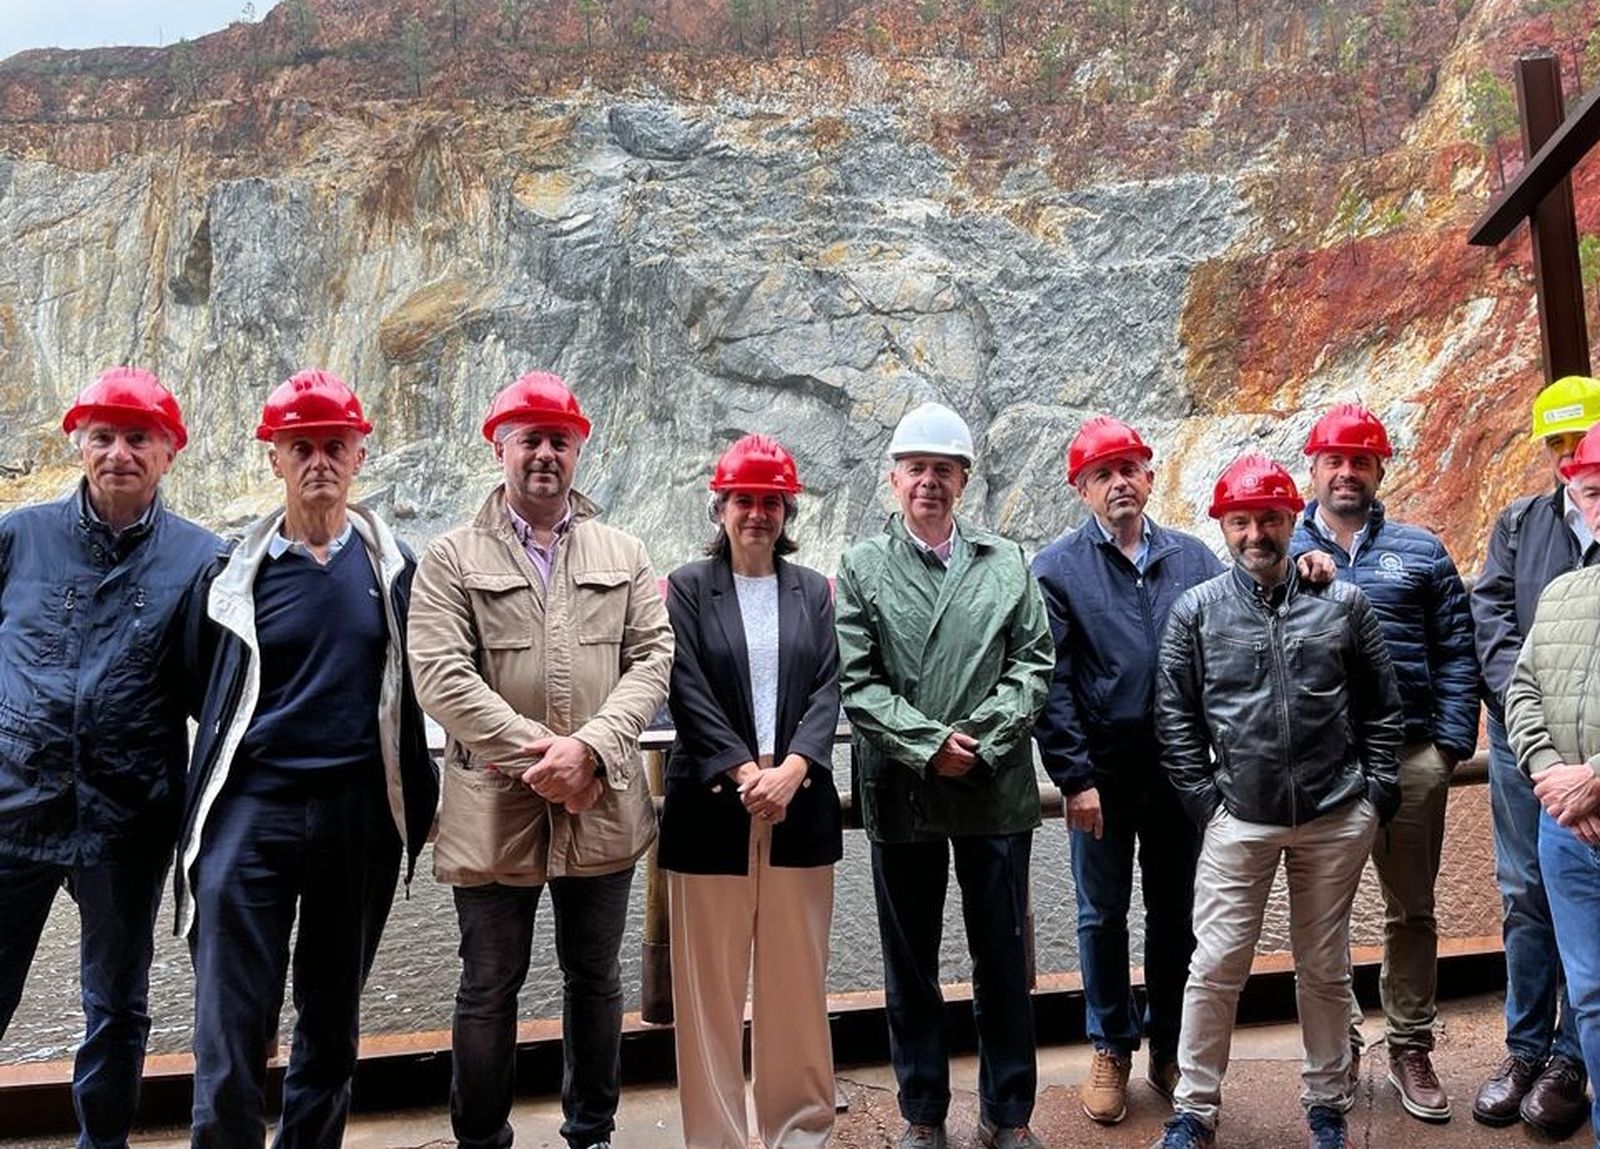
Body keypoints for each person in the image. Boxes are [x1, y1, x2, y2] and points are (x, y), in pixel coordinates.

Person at [408, 371, 673, 1149]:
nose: (546, 454)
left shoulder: (623, 552)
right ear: (501, 447)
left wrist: (589, 747)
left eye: (560, 439)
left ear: (579, 448)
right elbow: (440, 675)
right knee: (489, 987)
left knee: (596, 982)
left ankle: (590, 1130)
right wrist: (544, 755)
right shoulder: (451, 558)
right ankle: (482, 1140)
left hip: (601, 805)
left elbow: (654, 658)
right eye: (530, 438)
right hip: (496, 809)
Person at [176, 369, 438, 1148]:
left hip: (358, 814)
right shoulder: (231, 575)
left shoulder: (394, 569)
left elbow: (426, 681)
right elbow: (202, 682)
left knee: (331, 1016)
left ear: (359, 456)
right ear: (275, 460)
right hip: (253, 808)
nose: (319, 461)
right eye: (302, 447)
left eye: (334, 446)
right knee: (229, 1014)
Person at [1153, 454, 1402, 1149]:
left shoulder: (1343, 601)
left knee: (1324, 964)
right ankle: (1194, 1109)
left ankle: (1327, 1102)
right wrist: (1210, 805)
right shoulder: (1196, 612)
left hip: (1334, 813)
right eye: (1240, 520)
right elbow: (1175, 720)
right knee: (1215, 963)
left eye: (1268, 517)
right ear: (1223, 528)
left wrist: (1376, 794)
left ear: (1293, 519)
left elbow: (1383, 705)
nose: (1255, 532)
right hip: (1241, 817)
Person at [0, 368, 217, 1149]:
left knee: (116, 1005)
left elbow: (219, 698)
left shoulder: (202, 559)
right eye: (104, 436)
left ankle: (103, 1144)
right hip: (13, 806)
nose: (119, 452)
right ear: (79, 445)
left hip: (129, 816)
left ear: (169, 454)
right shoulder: (19, 537)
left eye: (139, 438)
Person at [835, 400, 1054, 1149]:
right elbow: (857, 683)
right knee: (911, 965)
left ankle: (1008, 1113)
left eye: (943, 469)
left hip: (993, 787)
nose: (929, 481)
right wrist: (927, 744)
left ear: (963, 479)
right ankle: (923, 1113)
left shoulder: (1006, 561)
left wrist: (981, 739)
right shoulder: (862, 566)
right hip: (906, 792)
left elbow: (1034, 663)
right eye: (916, 468)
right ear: (893, 479)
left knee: (1002, 960)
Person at [1031, 416, 1223, 1123]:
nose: (1119, 484)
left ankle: (1170, 1046)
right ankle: (1112, 1043)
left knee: (1176, 914)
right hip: (1102, 777)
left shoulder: (1195, 559)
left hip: (1180, 773)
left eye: (1129, 470)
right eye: (1102, 475)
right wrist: (1074, 777)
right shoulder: (1055, 569)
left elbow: (1225, 659)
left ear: (1149, 475)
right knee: (1100, 914)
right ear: (1081, 489)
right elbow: (1050, 682)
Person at [1291, 403, 1478, 1122]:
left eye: (1360, 459)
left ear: (1379, 469)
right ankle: (1336, 1050)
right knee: (1323, 916)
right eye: (1333, 459)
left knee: (1412, 909)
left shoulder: (1421, 550)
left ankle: (1409, 1041)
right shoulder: (1277, 543)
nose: (1346, 471)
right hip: (1323, 767)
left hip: (1411, 761)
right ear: (1313, 468)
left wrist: (1450, 745)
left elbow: (1457, 649)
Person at [659, 433, 842, 1149]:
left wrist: (794, 768)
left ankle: (798, 1127)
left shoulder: (814, 590)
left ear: (786, 509)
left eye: (770, 500)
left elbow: (829, 684)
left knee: (796, 980)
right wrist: (744, 770)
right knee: (708, 990)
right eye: (744, 500)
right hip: (713, 796)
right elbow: (686, 689)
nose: (758, 513)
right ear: (721, 506)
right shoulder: (684, 587)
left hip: (798, 796)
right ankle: (719, 1137)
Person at [1470, 374, 1600, 1136]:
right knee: (1524, 894)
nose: (1564, 456)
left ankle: (1571, 1058)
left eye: (1574, 439)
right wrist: (1542, 754)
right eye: (1554, 443)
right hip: (1532, 755)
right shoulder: (1520, 523)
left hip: (1584, 763)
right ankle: (1527, 1049)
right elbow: (1495, 623)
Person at [1506, 424, 1600, 1149]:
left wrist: (1595, 779)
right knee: (1593, 998)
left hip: (1586, 805)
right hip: (1566, 828)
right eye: (1592, 492)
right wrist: (1548, 777)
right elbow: (1522, 692)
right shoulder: (1565, 591)